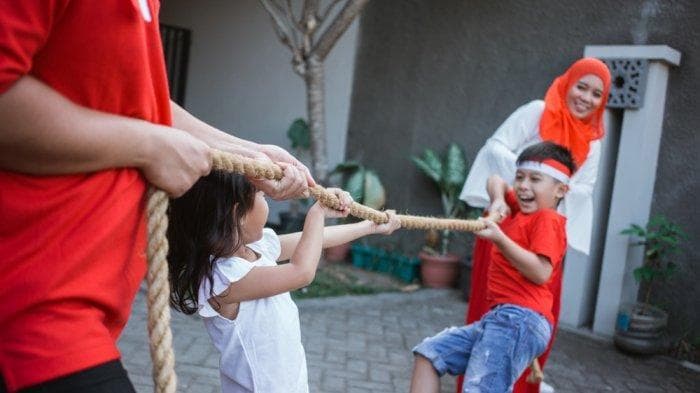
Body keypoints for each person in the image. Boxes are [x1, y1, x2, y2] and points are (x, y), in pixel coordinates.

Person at [0, 1, 312, 392]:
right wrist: (148, 146)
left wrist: (247, 154)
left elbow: (141, 104)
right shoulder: (229, 275)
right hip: (30, 305)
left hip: (81, 312)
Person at [167, 171, 401, 392]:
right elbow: (301, 272)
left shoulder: (256, 249)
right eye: (261, 195)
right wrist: (316, 213)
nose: (267, 200)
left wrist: (370, 226)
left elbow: (317, 240)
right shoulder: (224, 278)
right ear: (237, 214)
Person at [457, 57, 611, 392]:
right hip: (505, 223)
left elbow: (584, 189)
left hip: (546, 234)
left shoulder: (595, 142)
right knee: (490, 306)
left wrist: (552, 186)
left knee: (540, 313)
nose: (586, 98)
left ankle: (523, 385)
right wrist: (531, 177)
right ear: (568, 83)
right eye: (581, 86)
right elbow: (495, 146)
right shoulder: (537, 110)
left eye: (596, 94)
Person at [410, 142, 576, 393]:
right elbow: (495, 179)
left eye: (535, 179)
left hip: (520, 319)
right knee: (430, 355)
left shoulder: (547, 219)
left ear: (560, 190)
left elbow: (542, 272)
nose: (523, 185)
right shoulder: (521, 210)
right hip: (501, 318)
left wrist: (500, 238)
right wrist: (499, 199)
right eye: (520, 177)